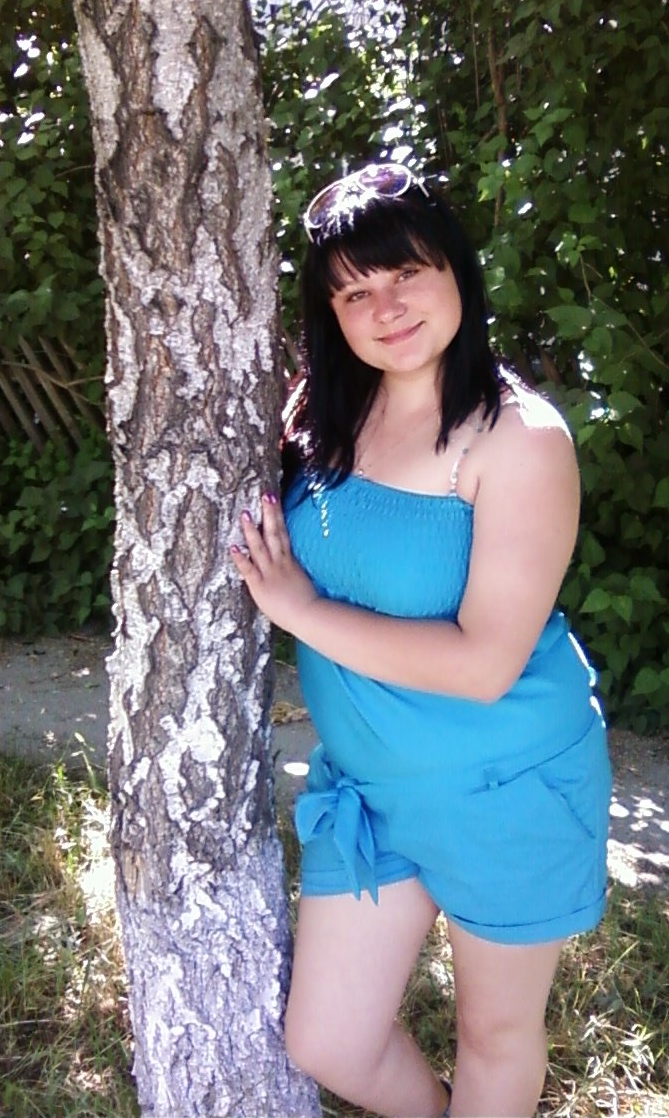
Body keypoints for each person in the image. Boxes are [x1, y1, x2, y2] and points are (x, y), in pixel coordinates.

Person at [230, 161, 612, 1118]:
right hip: (370, 789)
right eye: (355, 291)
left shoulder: (518, 439)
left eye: (406, 274)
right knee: (327, 1041)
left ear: (456, 273)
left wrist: (299, 612)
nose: (387, 307)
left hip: (505, 786)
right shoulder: (326, 413)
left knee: (494, 1038)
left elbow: (485, 664)